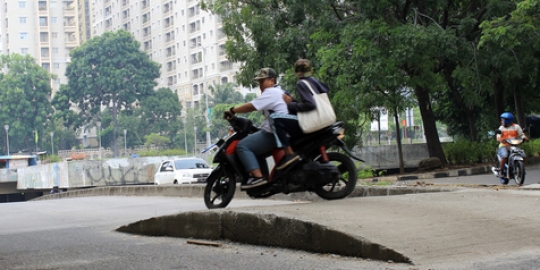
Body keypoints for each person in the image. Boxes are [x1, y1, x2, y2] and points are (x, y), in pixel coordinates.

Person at [224, 67, 289, 189]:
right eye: (259, 82)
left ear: (272, 81)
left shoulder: (270, 92)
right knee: (256, 149)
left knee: (242, 146)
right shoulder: (279, 92)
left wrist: (232, 110)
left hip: (273, 133)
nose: (260, 85)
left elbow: (252, 106)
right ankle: (264, 176)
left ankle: (258, 178)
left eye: (262, 81)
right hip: (280, 132)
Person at [272, 59, 331, 170]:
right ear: (311, 71)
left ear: (296, 72)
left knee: (276, 119)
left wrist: (290, 105)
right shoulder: (314, 81)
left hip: (312, 120)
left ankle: (289, 153)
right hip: (325, 118)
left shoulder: (302, 83)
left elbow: (310, 104)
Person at [495, 112, 527, 177]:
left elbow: (521, 134)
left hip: (514, 145)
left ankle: (521, 168)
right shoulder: (501, 128)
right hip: (504, 145)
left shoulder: (516, 127)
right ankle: (501, 170)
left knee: (523, 155)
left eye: (502, 120)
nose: (501, 121)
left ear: (507, 120)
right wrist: (500, 139)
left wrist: (524, 138)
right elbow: (498, 137)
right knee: (504, 156)